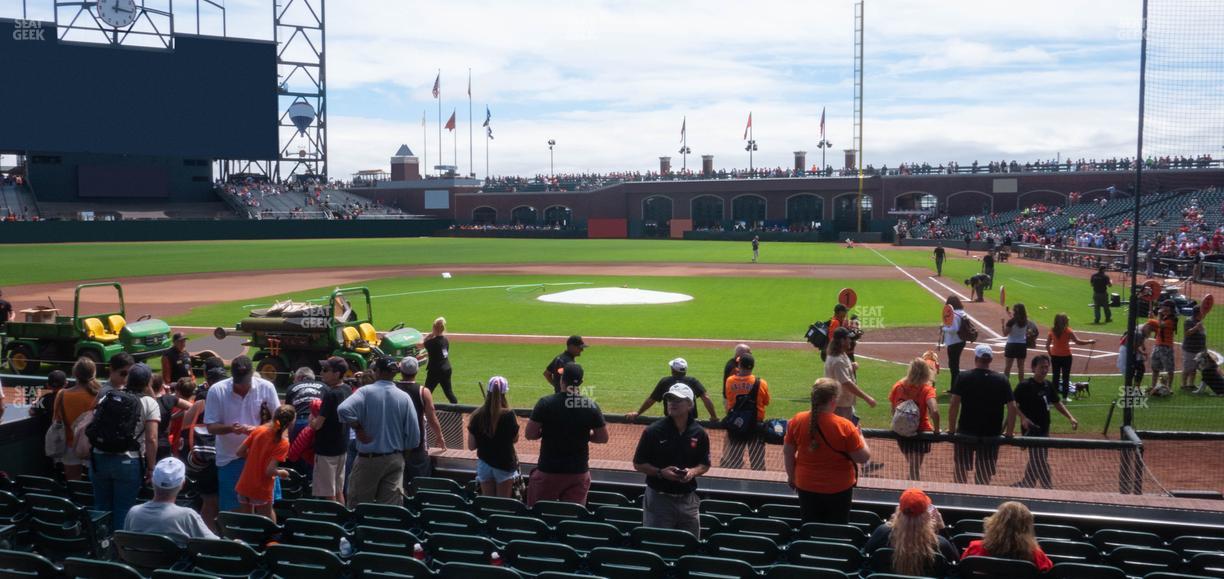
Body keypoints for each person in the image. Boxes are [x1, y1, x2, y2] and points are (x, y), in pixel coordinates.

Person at [782, 378, 870, 524]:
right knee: (836, 530)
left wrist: (792, 477)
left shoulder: (797, 420)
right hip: (839, 488)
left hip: (805, 485)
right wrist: (861, 436)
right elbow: (862, 457)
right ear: (833, 400)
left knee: (810, 528)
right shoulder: (845, 426)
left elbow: (788, 453)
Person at [338, 356, 420, 506]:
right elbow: (414, 437)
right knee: (390, 511)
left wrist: (358, 428)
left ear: (378, 371)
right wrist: (401, 457)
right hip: (395, 459)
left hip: (368, 460)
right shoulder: (404, 397)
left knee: (359, 508)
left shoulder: (365, 392)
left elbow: (343, 409)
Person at [203, 355, 282, 512]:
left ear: (252, 374)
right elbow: (211, 427)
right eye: (238, 381)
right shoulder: (217, 390)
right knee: (237, 509)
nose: (242, 386)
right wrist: (231, 429)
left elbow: (279, 420)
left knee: (265, 507)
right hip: (230, 458)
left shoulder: (266, 387)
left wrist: (258, 430)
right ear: (232, 375)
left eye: (245, 381)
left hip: (261, 457)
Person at [632, 383, 711, 538]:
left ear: (690, 404)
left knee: (689, 545)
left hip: (688, 501)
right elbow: (638, 463)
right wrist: (660, 472)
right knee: (657, 544)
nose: (672, 403)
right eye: (669, 399)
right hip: (658, 501)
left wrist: (692, 472)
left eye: (678, 400)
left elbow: (705, 464)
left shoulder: (699, 433)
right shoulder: (653, 431)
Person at [524, 362, 609, 506]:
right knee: (572, 516)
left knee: (540, 513)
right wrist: (584, 436)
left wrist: (545, 432)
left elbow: (530, 434)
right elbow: (603, 438)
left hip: (548, 471)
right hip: (578, 473)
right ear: (581, 382)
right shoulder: (590, 405)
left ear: (562, 380)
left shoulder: (545, 403)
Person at [91, 363, 160, 530]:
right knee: (124, 509)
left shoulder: (108, 396)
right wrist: (151, 468)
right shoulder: (150, 403)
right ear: (147, 382)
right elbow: (151, 438)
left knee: (101, 507)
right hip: (128, 461)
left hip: (99, 457)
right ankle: (119, 545)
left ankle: (100, 543)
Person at [947, 345, 1019, 485]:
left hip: (966, 431)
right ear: (990, 360)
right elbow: (1012, 407)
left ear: (976, 358)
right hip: (991, 434)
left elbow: (954, 404)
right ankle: (980, 497)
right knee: (984, 474)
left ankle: (958, 497)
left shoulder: (963, 377)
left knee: (961, 470)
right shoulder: (1002, 379)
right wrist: (1009, 432)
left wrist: (951, 430)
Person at [1013, 355, 1078, 489]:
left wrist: (1070, 417)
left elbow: (1057, 403)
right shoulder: (1024, 385)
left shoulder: (1048, 385)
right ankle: (1047, 487)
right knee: (1040, 458)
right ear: (1033, 368)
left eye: (1047, 367)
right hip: (1031, 429)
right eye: (1041, 367)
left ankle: (1027, 482)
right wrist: (1023, 418)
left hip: (1044, 428)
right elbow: (1012, 405)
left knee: (1038, 457)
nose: (1044, 370)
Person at [862, 488, 959, 577]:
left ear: (899, 511)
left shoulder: (882, 533)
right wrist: (942, 528)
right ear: (927, 516)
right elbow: (956, 563)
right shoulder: (940, 544)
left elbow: (865, 556)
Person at [124, 457, 218, 547]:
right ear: (183, 484)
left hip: (140, 559)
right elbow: (214, 544)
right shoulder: (187, 516)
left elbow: (126, 544)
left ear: (152, 481)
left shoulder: (133, 513)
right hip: (176, 559)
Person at [235, 404, 294, 521]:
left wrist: (254, 458)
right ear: (290, 422)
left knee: (247, 521)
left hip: (245, 484)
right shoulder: (283, 443)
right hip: (261, 487)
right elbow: (269, 471)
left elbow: (239, 452)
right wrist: (282, 473)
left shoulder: (259, 430)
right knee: (267, 519)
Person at [961, 501, 1054, 573]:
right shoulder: (1036, 555)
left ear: (994, 523)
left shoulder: (974, 548)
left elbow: (961, 570)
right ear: (1027, 528)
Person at [468, 376, 520, 498]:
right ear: (505, 393)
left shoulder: (476, 415)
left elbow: (471, 446)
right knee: (502, 503)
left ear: (488, 391)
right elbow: (515, 439)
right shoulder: (509, 415)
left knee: (488, 502)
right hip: (504, 464)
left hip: (484, 465)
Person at [889, 359, 940, 480]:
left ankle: (911, 487)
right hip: (921, 433)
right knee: (915, 467)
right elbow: (935, 411)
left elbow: (893, 410)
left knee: (913, 465)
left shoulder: (898, 386)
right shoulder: (927, 389)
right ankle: (913, 489)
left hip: (902, 432)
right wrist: (937, 431)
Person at [310, 356, 352, 503]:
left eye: (326, 370)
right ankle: (342, 514)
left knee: (329, 493)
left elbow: (318, 424)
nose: (322, 372)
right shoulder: (347, 389)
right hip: (342, 446)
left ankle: (334, 517)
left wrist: (311, 420)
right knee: (339, 490)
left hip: (327, 450)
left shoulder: (330, 394)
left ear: (337, 373)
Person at [397, 357, 444, 484]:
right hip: (417, 446)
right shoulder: (423, 391)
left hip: (394, 444)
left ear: (400, 370)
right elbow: (432, 417)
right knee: (420, 483)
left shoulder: (392, 388)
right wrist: (439, 436)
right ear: (417, 371)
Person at [626, 358, 719, 422]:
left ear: (672, 370)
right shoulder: (692, 381)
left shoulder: (665, 381)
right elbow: (706, 398)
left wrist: (638, 413)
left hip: (671, 420)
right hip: (690, 421)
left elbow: (651, 400)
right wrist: (713, 416)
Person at [720, 353, 770, 471]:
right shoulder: (761, 383)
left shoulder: (730, 381)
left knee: (735, 462)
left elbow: (729, 398)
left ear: (739, 366)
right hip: (755, 426)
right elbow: (766, 401)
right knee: (758, 463)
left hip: (737, 425)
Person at [826, 327, 876, 423]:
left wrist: (851, 367)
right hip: (840, 406)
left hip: (842, 403)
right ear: (842, 341)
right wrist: (867, 398)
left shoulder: (840, 354)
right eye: (848, 338)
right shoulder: (838, 360)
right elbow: (846, 383)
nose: (850, 341)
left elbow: (839, 373)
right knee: (843, 430)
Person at [1045, 313, 1096, 399]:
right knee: (1066, 377)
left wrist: (1051, 354)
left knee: (1055, 377)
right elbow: (1078, 342)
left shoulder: (1052, 330)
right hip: (1066, 357)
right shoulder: (1068, 331)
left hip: (1055, 357)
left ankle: (1054, 398)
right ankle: (1065, 397)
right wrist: (1089, 341)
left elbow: (1047, 346)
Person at [1144, 301, 1178, 394]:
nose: (1162, 308)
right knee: (1155, 368)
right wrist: (1151, 317)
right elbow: (1156, 325)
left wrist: (1158, 315)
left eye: (1164, 307)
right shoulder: (1164, 317)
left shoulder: (1172, 319)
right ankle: (1153, 386)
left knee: (1169, 369)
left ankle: (1169, 387)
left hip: (1166, 347)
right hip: (1157, 346)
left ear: (1170, 308)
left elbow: (1160, 325)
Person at [423, 317, 458, 404]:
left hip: (435, 370)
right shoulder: (445, 340)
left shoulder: (432, 342)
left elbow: (420, 344)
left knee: (426, 392)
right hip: (446, 368)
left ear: (434, 328)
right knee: (449, 393)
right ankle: (457, 409)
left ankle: (422, 410)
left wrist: (429, 335)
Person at [1001, 303, 1036, 383]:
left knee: (1008, 367)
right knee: (1021, 367)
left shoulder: (1011, 322)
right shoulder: (1025, 321)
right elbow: (1018, 321)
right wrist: (1009, 314)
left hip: (1011, 345)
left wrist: (1002, 324)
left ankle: (1005, 384)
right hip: (1021, 346)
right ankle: (1021, 384)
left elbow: (1005, 334)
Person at [941, 296, 969, 391]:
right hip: (960, 341)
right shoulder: (962, 313)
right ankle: (955, 387)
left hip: (954, 343)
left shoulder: (954, 315)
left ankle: (955, 388)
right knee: (954, 365)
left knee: (953, 366)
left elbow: (954, 329)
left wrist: (943, 328)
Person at [1182, 305, 1206, 392]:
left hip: (1199, 350)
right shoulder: (1189, 321)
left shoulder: (1199, 321)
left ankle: (1191, 384)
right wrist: (1196, 327)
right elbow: (1187, 333)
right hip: (1190, 349)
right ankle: (1183, 385)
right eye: (1202, 312)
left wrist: (1204, 349)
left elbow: (1203, 336)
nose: (1204, 313)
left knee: (1194, 368)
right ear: (1198, 313)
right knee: (1187, 368)